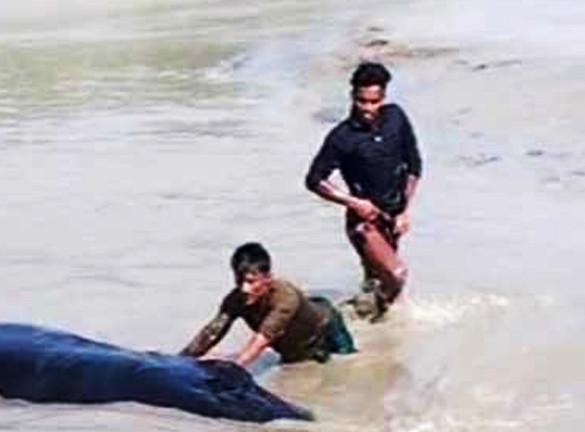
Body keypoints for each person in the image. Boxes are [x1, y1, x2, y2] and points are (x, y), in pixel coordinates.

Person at [305, 61, 422, 320]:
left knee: (375, 280)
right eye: (362, 102)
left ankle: (369, 332)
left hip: (393, 216)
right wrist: (353, 202)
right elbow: (314, 180)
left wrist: (404, 211)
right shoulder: (342, 137)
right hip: (363, 222)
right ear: (352, 96)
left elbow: (414, 165)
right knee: (396, 274)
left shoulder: (396, 118)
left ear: (383, 97)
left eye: (374, 101)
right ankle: (381, 320)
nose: (368, 109)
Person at [180, 242, 356, 368]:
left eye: (251, 281)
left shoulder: (285, 298)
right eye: (239, 280)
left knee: (349, 367)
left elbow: (261, 340)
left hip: (326, 328)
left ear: (268, 278)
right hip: (293, 348)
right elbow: (212, 332)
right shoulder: (235, 300)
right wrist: (181, 361)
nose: (244, 289)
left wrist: (236, 368)